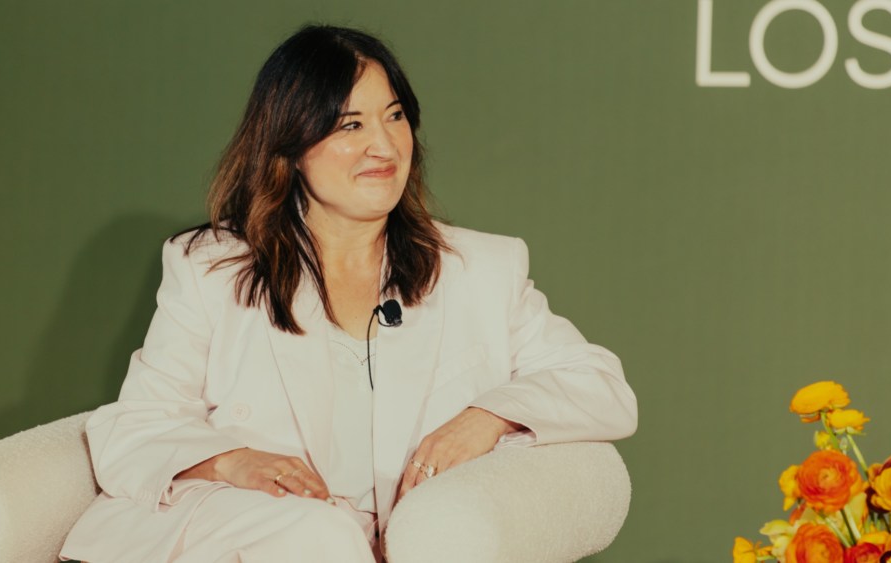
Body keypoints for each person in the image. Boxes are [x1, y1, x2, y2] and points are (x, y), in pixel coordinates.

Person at [59, 24, 637, 563]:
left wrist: (487, 416)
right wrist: (233, 462)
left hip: (406, 543)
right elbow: (137, 425)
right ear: (291, 145)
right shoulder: (212, 268)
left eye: (395, 116)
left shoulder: (479, 269)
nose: (383, 146)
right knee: (322, 534)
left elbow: (603, 389)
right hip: (248, 532)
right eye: (350, 125)